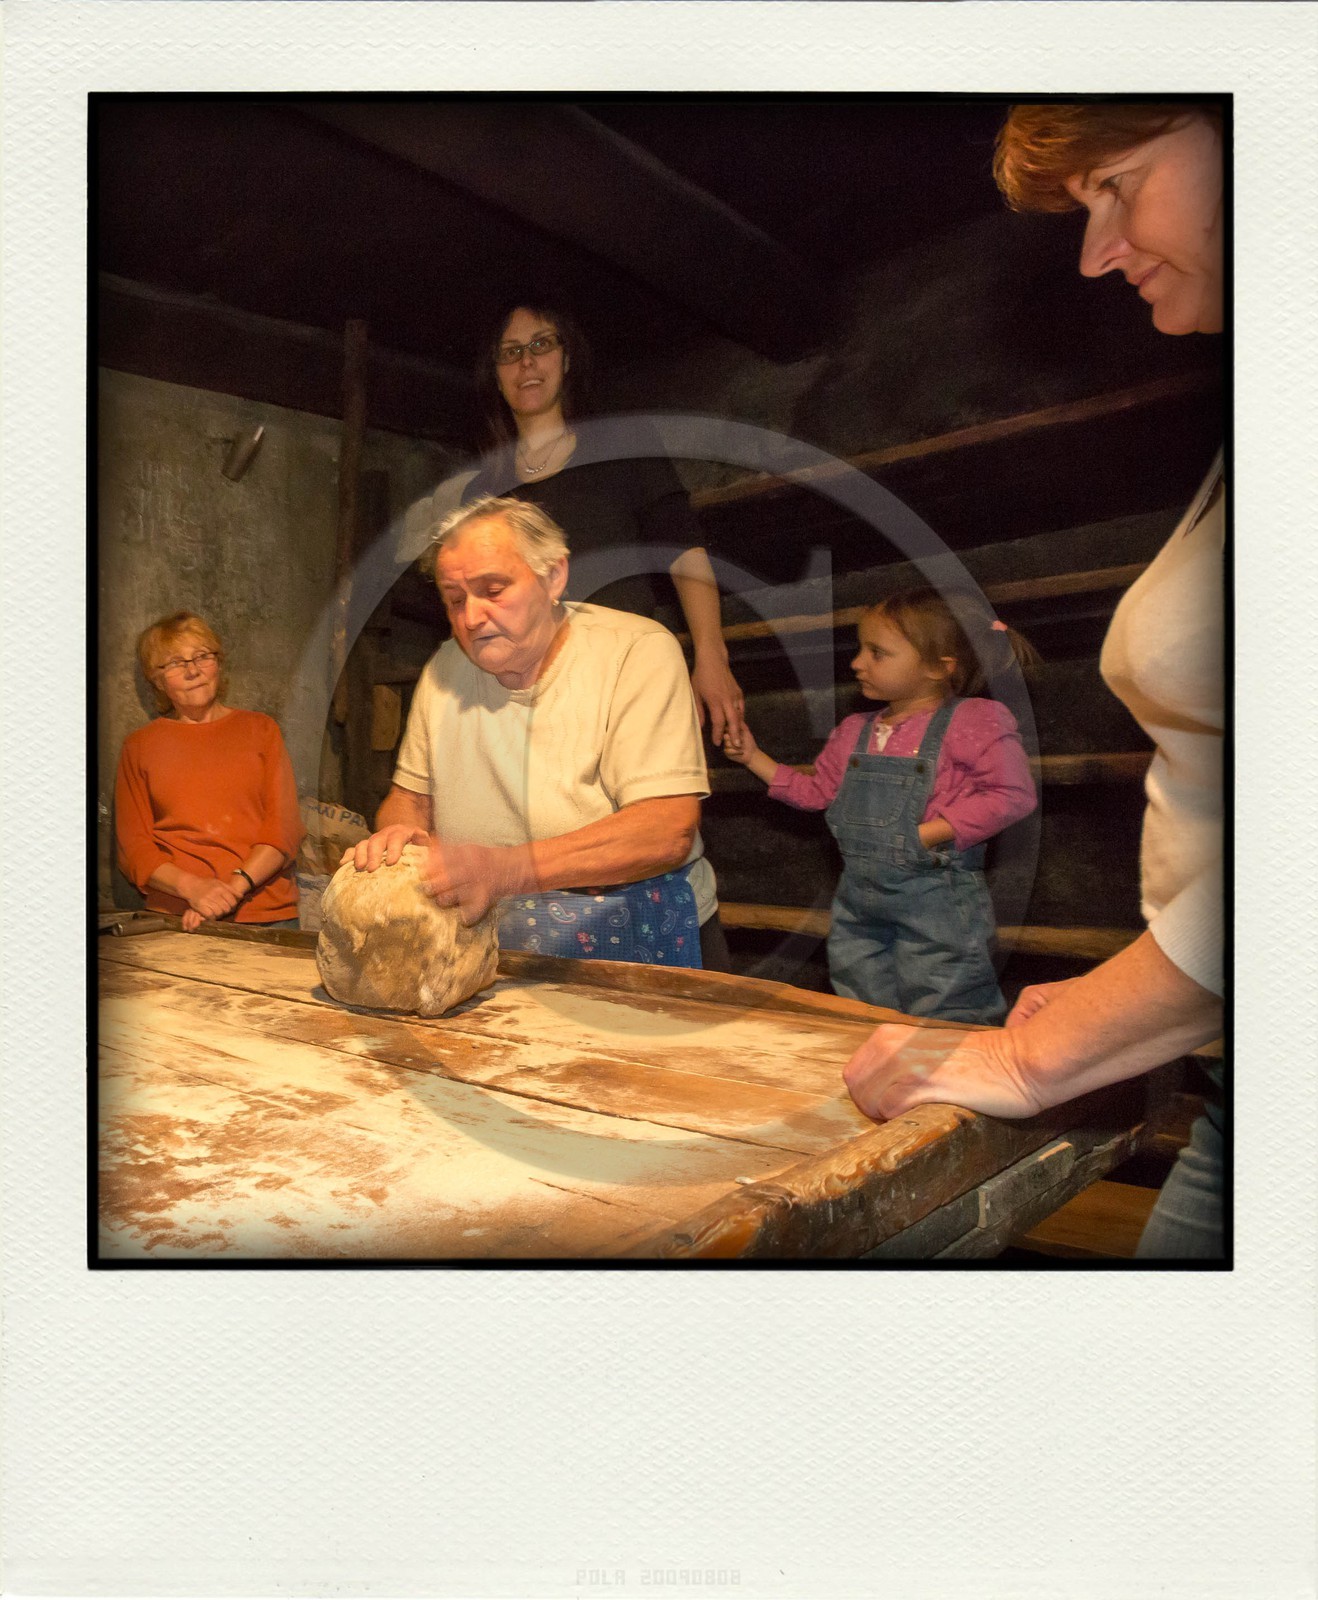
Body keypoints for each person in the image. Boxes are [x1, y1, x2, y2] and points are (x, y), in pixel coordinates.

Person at [841, 103, 1225, 1258]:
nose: (1094, 249)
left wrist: (1026, 1051)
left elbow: (1007, 798)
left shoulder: (968, 726)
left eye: (1117, 184)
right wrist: (1129, 993)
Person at [348, 497, 722, 969]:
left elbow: (665, 829)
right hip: (490, 926)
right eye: (456, 599)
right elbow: (410, 798)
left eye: (494, 589)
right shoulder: (445, 667)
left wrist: (504, 869)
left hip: (630, 924)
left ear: (553, 577)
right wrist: (401, 832)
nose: (472, 618)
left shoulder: (636, 652)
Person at [723, 589, 1037, 1022]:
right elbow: (817, 792)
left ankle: (955, 1083)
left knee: (945, 1002)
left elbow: (1012, 794)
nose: (857, 662)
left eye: (878, 653)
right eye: (860, 649)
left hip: (937, 899)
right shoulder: (855, 730)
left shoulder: (973, 720)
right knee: (860, 1001)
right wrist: (753, 758)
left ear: (937, 668)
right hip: (858, 900)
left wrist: (931, 831)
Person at [463, 302, 746, 746]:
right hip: (529, 698)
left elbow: (682, 550)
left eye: (541, 344)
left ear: (567, 358)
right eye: (510, 352)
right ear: (496, 376)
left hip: (626, 678)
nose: (527, 362)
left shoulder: (622, 445)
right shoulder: (485, 489)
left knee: (650, 811)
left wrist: (712, 656)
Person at [115, 612, 304, 932]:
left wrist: (229, 891)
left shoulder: (260, 730)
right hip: (176, 918)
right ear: (157, 680)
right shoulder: (139, 746)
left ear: (217, 663)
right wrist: (193, 889)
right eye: (174, 662)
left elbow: (284, 828)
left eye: (202, 656)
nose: (193, 670)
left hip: (266, 916)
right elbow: (134, 849)